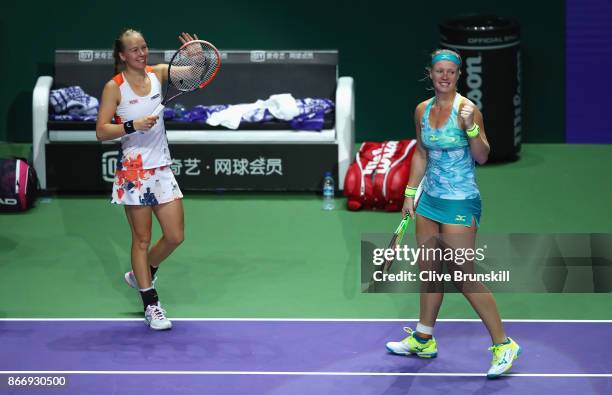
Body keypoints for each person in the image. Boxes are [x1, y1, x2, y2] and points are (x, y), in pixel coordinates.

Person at [384, 49, 521, 378]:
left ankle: (504, 344)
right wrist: (409, 193)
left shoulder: (468, 109)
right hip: (429, 199)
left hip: (460, 201)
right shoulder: (422, 110)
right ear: (430, 73)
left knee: (462, 274)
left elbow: (483, 156)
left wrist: (471, 128)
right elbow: (420, 152)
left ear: (458, 75)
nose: (444, 76)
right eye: (438, 71)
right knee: (429, 270)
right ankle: (423, 338)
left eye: (451, 72)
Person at [96, 29, 197, 330]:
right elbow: (101, 131)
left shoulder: (159, 73)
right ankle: (151, 303)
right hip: (134, 172)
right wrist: (132, 124)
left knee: (175, 235)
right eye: (134, 50)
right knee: (141, 239)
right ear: (122, 56)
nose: (141, 53)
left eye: (144, 47)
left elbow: (193, 75)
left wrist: (194, 58)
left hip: (162, 168)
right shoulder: (114, 87)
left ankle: (144, 271)